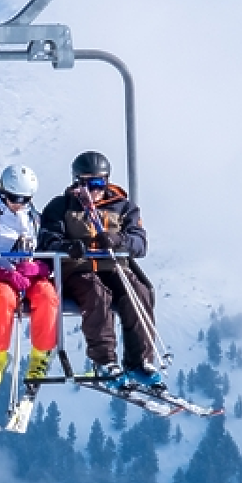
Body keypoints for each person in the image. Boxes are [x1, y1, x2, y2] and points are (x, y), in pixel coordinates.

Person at [39, 150, 163, 389]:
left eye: (98, 183)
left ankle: (140, 361)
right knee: (96, 293)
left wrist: (118, 241)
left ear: (107, 181)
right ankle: (105, 360)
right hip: (77, 269)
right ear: (76, 182)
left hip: (113, 266)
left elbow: (140, 243)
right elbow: (46, 240)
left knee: (138, 293)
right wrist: (68, 247)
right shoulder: (61, 206)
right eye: (86, 183)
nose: (93, 190)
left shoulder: (123, 207)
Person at [0, 164, 60, 392]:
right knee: (3, 300)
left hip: (28, 276)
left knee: (47, 296)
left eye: (25, 199)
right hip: (0, 277)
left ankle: (40, 357)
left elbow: (48, 252)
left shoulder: (35, 219)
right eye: (14, 198)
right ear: (2, 193)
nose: (18, 204)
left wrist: (39, 268)